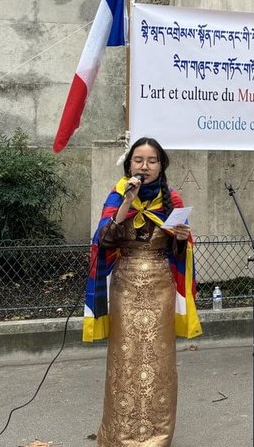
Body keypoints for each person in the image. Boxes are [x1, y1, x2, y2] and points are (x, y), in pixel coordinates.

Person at [83, 137, 202, 446]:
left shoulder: (171, 199)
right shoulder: (118, 195)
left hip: (160, 287)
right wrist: (126, 201)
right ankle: (119, 435)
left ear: (161, 166)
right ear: (129, 164)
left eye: (151, 161)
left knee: (158, 362)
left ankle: (156, 437)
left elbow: (179, 250)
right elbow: (104, 240)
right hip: (125, 287)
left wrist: (180, 237)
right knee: (124, 361)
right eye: (139, 160)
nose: (145, 166)